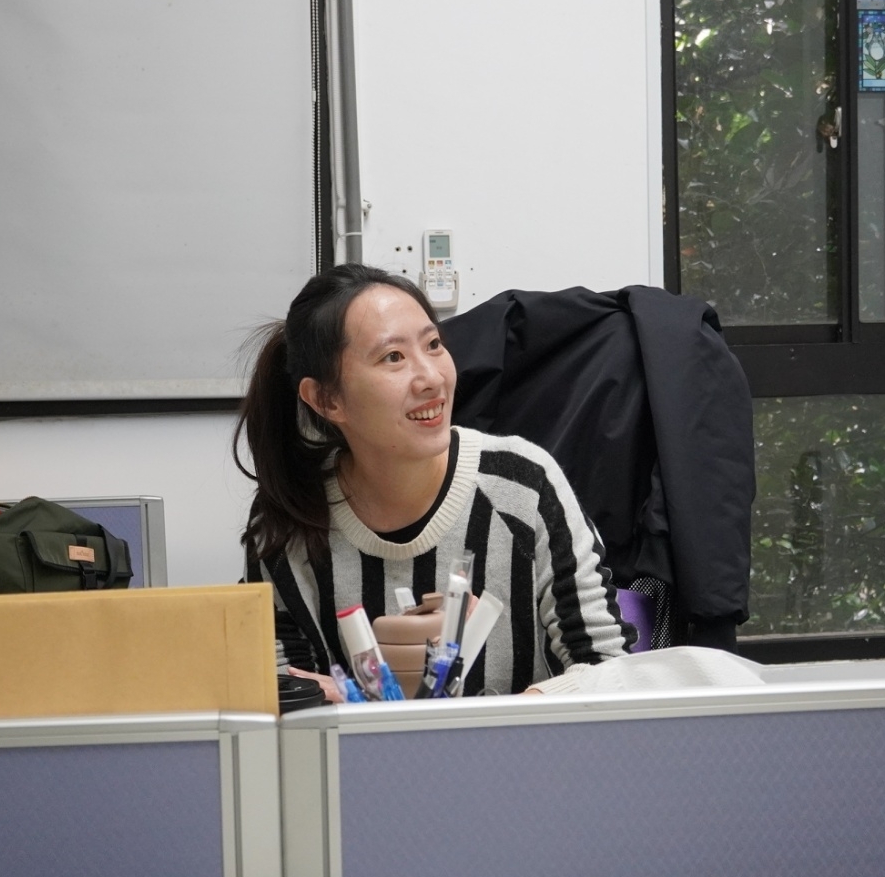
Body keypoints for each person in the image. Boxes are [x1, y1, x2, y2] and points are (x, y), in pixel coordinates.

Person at [237, 263, 632, 698]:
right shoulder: (291, 516)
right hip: (362, 764)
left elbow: (606, 667)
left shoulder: (523, 485)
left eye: (434, 344)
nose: (432, 378)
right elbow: (282, 692)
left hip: (526, 758)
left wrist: (506, 715)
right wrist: (347, 704)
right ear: (327, 399)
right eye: (394, 357)